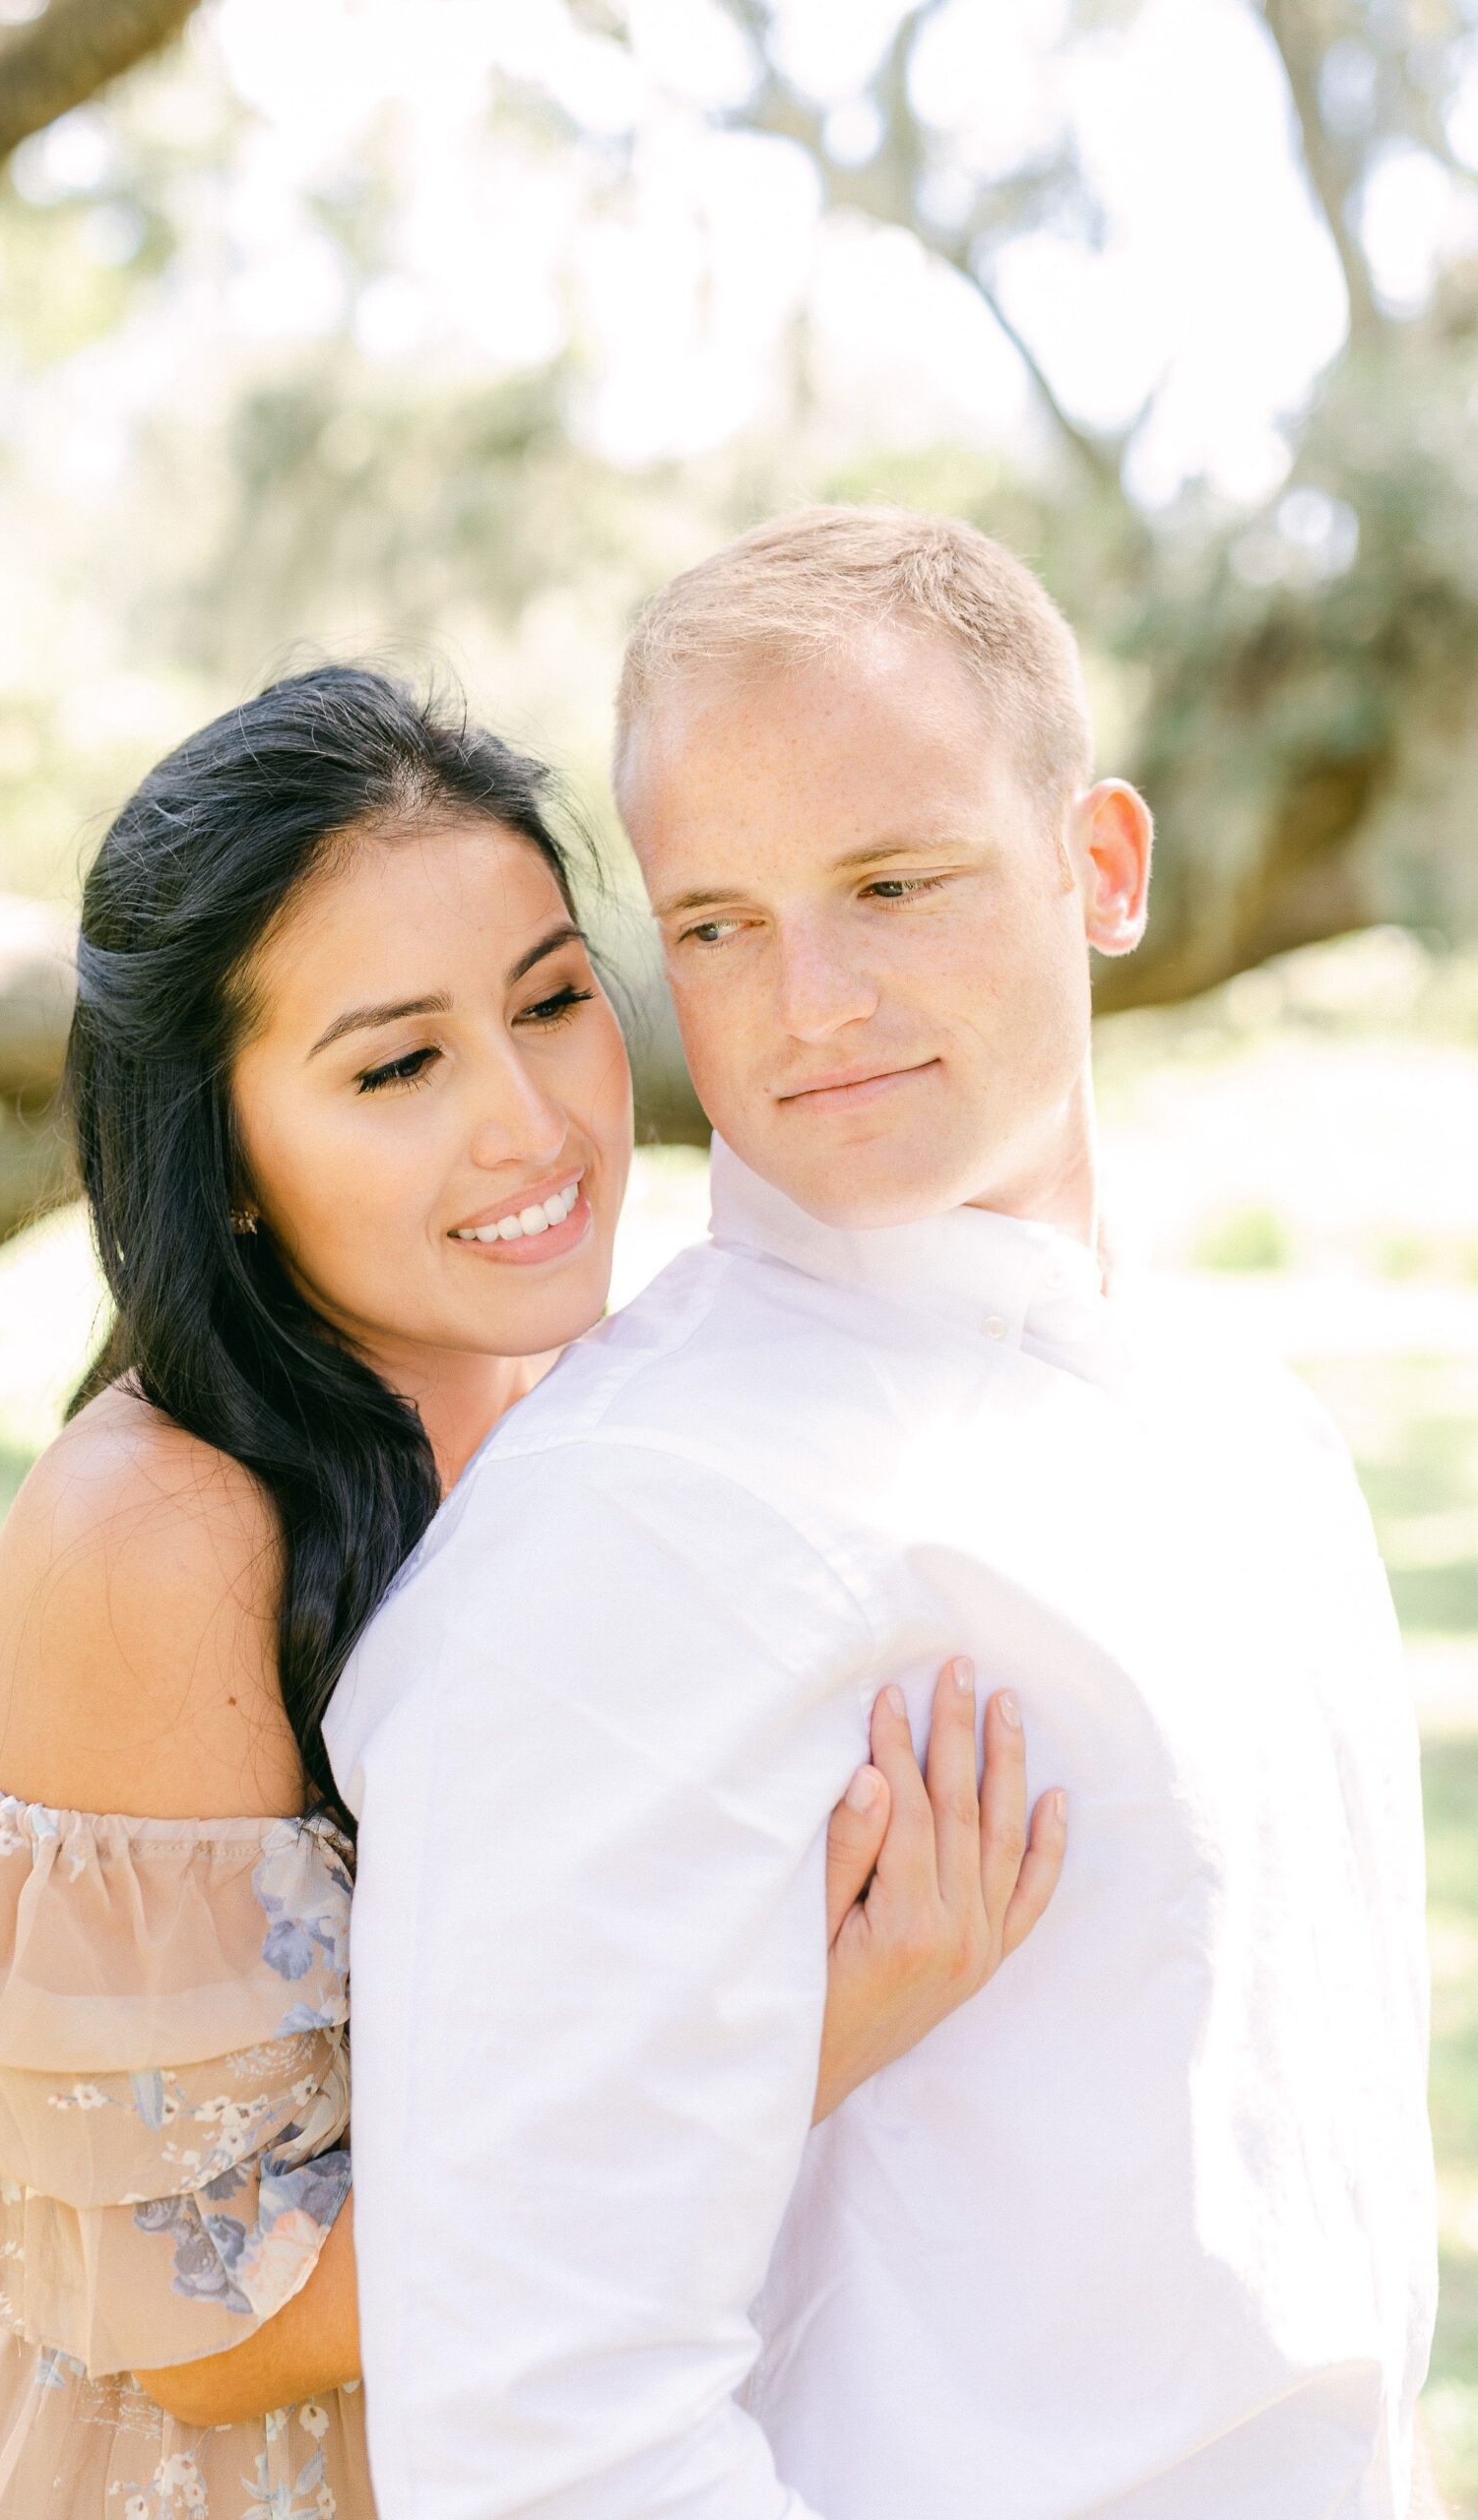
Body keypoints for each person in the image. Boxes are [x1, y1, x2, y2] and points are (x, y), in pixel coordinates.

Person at [0, 664, 1066, 2519]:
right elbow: (205, 2332)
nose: (533, 1125)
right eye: (399, 1065)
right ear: (225, 1155)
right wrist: (804, 2041)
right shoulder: (165, 1534)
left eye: (555, 1002)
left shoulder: (590, 1401)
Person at [322, 509, 1442, 2519]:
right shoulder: (633, 1526)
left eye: (891, 883)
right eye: (721, 922)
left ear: (1101, 866)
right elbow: (540, 2436)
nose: (807, 1000)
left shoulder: (1256, 1430)